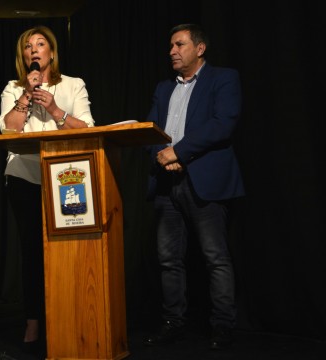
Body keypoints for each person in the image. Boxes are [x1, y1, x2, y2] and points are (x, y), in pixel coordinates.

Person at [142, 24, 245, 350]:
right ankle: (173, 323)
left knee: (215, 257)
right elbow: (151, 129)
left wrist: (180, 152)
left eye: (179, 44)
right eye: (171, 45)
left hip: (204, 181)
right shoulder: (163, 88)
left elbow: (223, 124)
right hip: (166, 182)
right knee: (168, 258)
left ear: (199, 49)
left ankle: (223, 327)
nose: (172, 50)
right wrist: (162, 155)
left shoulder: (223, 78)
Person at [0, 25, 95, 351]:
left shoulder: (73, 84)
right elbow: (8, 130)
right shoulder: (13, 88)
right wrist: (27, 94)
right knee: (32, 252)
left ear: (51, 52)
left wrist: (54, 109)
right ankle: (34, 320)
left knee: (68, 250)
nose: (34, 50)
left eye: (40, 44)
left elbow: (87, 127)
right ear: (23, 56)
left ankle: (68, 313)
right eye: (28, 47)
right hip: (24, 177)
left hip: (66, 178)